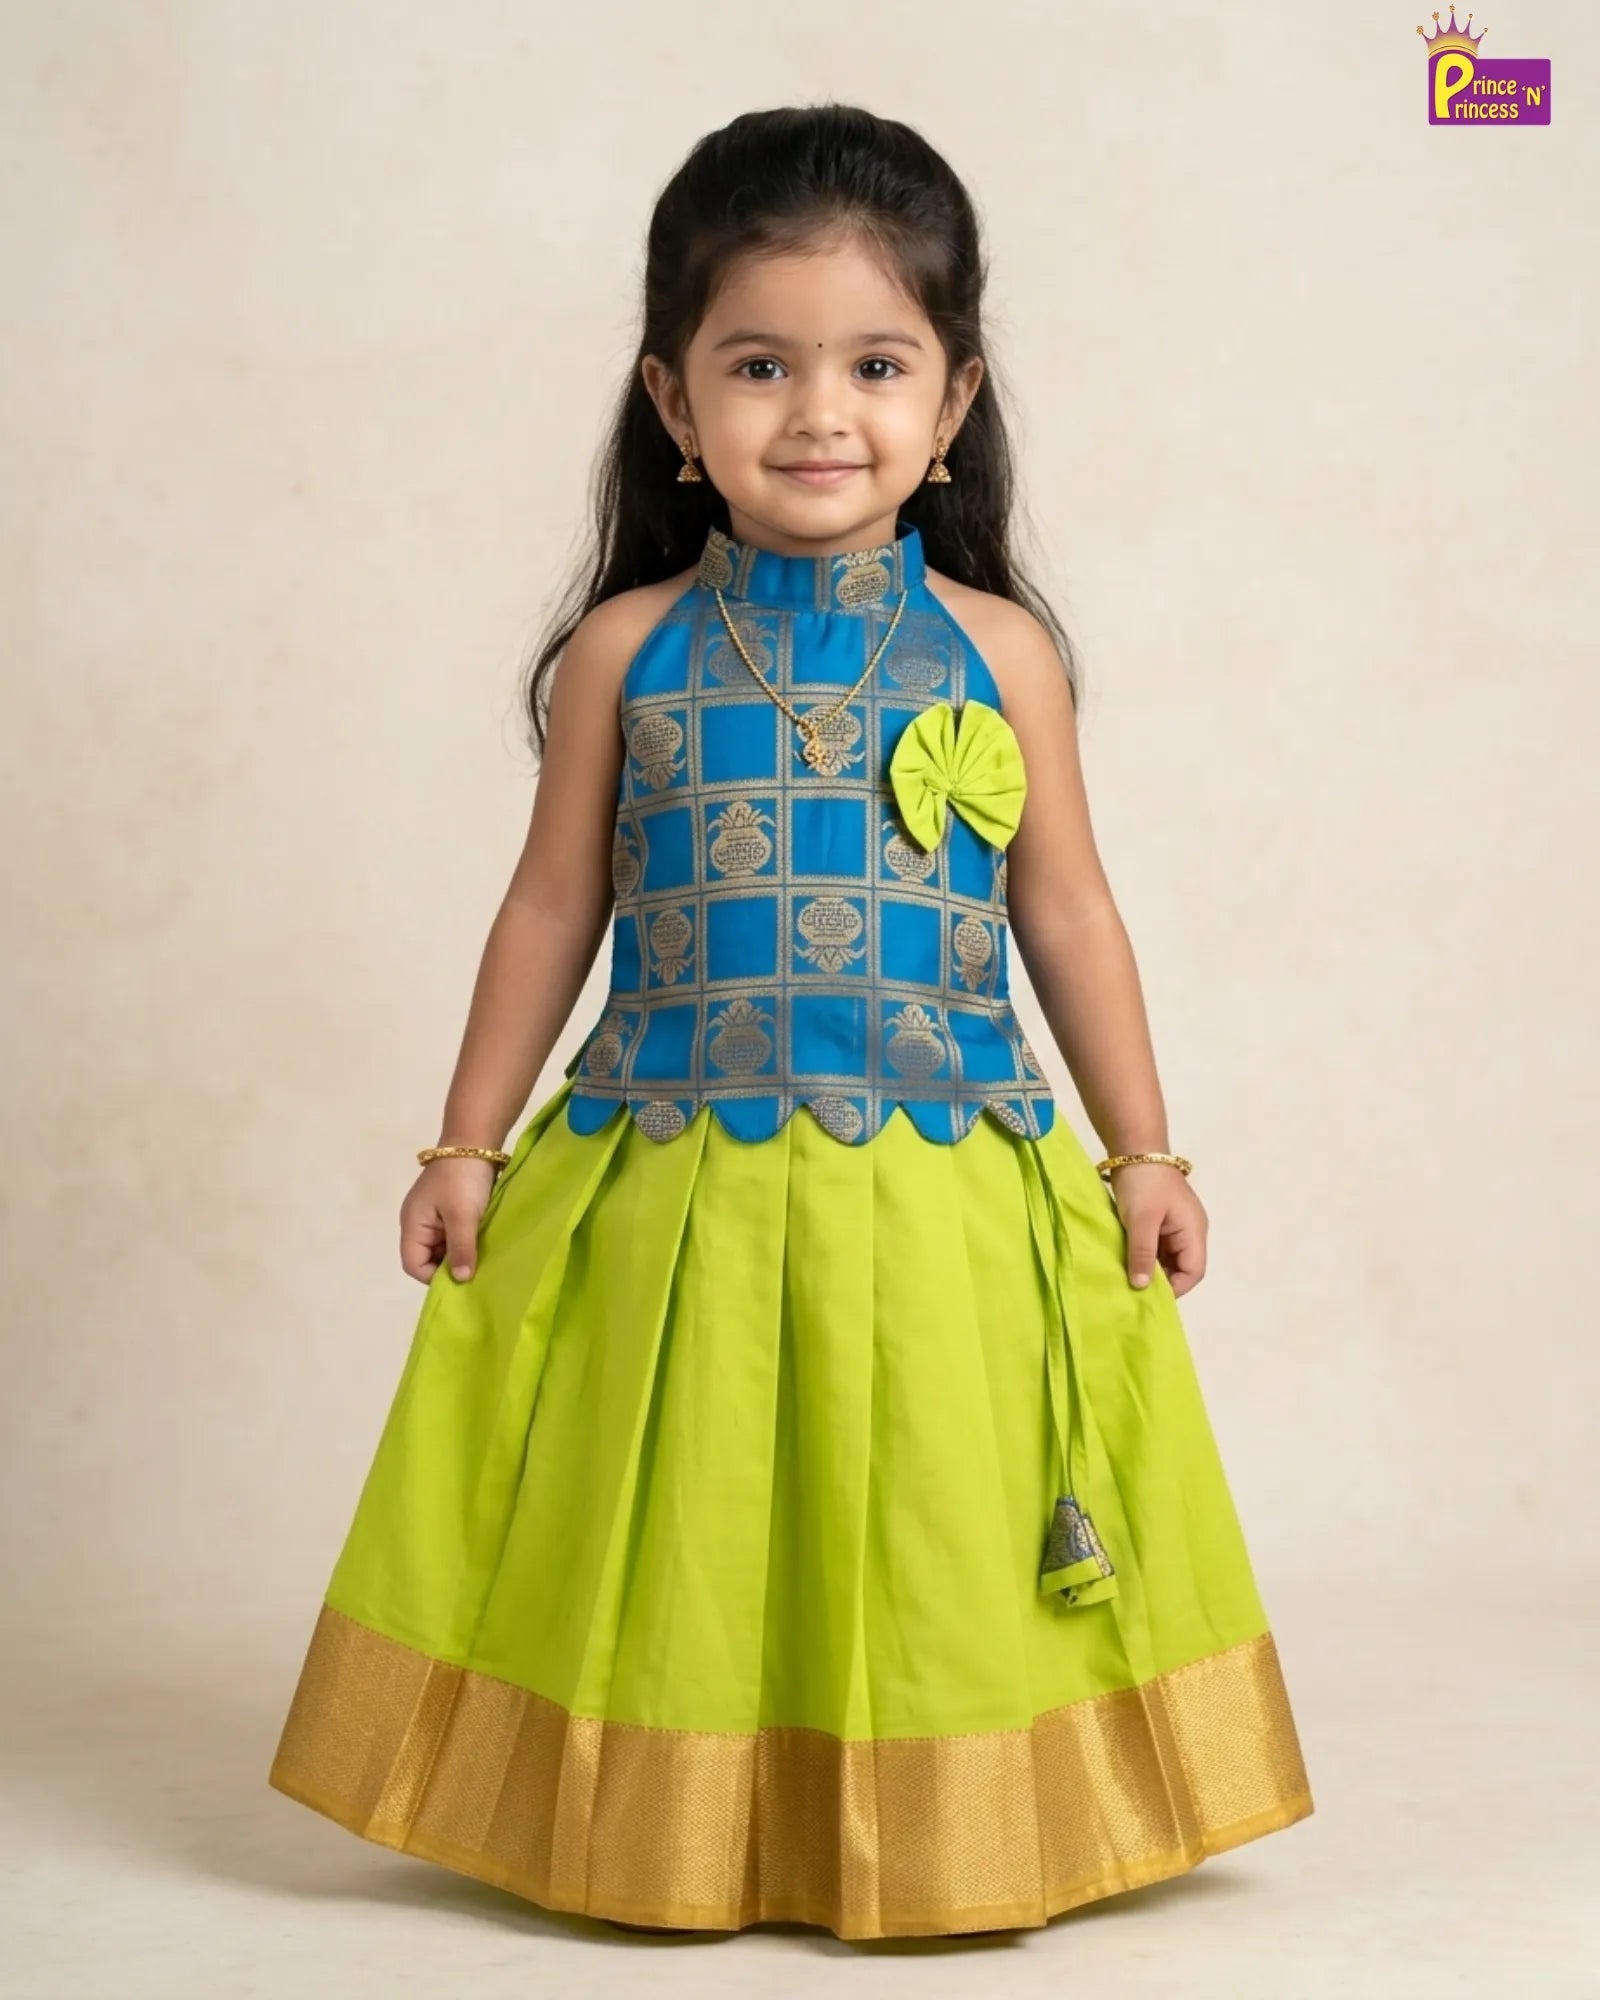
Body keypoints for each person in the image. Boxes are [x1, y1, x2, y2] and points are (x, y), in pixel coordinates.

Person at [267, 101, 1314, 1942]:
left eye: (875, 365)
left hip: (942, 1194)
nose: (820, 413)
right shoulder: (627, 652)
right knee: (685, 1527)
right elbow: (547, 908)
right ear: (675, 405)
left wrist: (1147, 1149)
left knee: (919, 1528)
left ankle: (933, 1839)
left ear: (954, 402)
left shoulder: (1002, 654)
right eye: (760, 364)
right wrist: (462, 1140)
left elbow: (1065, 908)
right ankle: (686, 1831)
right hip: (677, 1182)